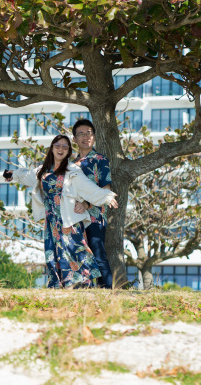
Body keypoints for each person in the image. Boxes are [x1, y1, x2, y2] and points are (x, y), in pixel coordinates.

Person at [6, 134, 118, 288]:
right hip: (51, 221)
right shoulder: (43, 171)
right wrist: (12, 175)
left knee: (73, 251)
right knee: (53, 253)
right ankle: (59, 285)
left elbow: (88, 188)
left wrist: (106, 196)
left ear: (68, 151)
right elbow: (26, 176)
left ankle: (81, 285)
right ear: (52, 148)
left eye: (65, 147)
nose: (61, 149)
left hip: (68, 220)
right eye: (57, 145)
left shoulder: (72, 171)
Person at [71, 118, 114, 289]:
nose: (85, 137)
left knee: (98, 254)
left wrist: (87, 205)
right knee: (79, 255)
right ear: (74, 139)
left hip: (95, 216)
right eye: (81, 134)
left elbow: (106, 190)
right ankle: (84, 291)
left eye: (89, 133)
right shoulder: (71, 165)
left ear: (94, 136)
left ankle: (108, 292)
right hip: (74, 217)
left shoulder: (100, 160)